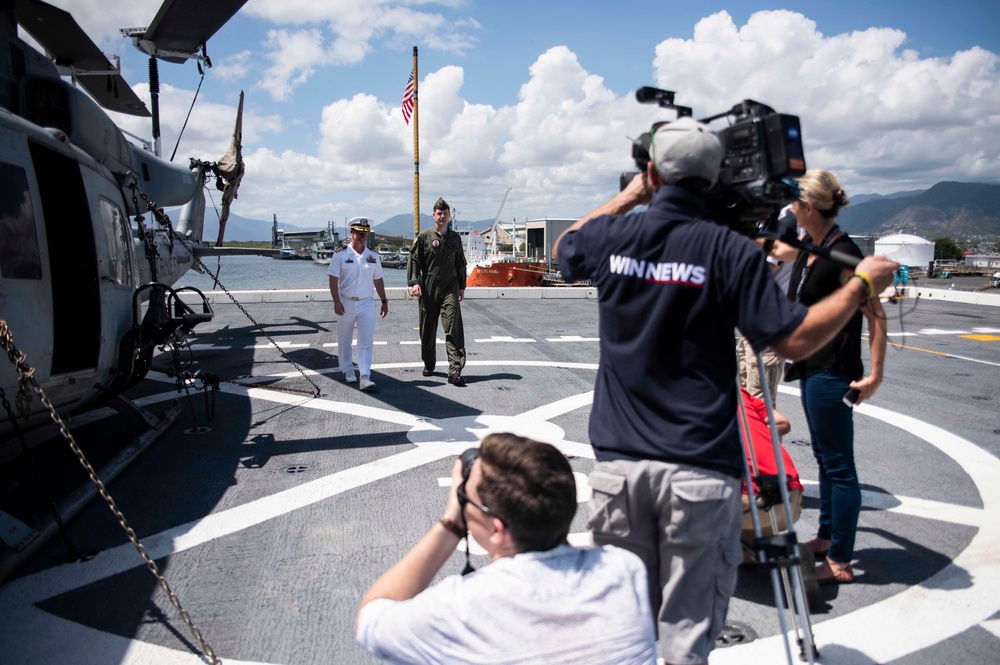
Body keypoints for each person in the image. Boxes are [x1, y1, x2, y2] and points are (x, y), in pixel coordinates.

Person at [553, 116, 897, 665]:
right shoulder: (728, 251)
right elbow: (794, 340)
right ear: (714, 182)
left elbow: (566, 246)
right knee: (688, 636)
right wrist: (861, 285)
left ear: (651, 172)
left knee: (622, 629)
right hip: (699, 472)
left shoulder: (612, 237)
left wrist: (630, 196)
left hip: (620, 471)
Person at [355, 433, 658, 664]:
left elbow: (371, 619)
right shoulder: (624, 570)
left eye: (466, 498)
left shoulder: (462, 607)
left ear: (497, 531)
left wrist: (451, 524)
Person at [784, 169, 888, 585]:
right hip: (813, 366)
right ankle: (828, 538)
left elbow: (876, 316)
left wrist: (876, 375)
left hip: (834, 370)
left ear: (808, 207)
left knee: (839, 465)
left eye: (793, 202)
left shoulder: (844, 255)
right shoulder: (811, 245)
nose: (789, 208)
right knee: (827, 460)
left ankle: (840, 560)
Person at [736, 205, 799, 404]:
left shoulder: (786, 219)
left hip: (768, 320)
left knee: (760, 399)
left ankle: (764, 435)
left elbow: (765, 269)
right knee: (745, 388)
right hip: (755, 317)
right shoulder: (775, 218)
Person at [406, 197, 467, 386]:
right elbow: (414, 259)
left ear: (449, 216)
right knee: (427, 330)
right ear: (434, 216)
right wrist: (415, 282)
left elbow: (460, 263)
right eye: (439, 214)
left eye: (445, 214)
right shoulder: (425, 237)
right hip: (428, 288)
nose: (442, 216)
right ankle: (429, 363)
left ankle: (454, 370)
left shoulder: (455, 238)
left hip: (449, 287)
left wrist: (462, 286)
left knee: (452, 327)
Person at [328, 217, 388, 391]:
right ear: (351, 233)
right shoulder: (340, 254)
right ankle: (347, 369)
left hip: (366, 303)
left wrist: (384, 301)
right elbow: (333, 279)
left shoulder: (373, 257)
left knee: (366, 340)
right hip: (345, 301)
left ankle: (364, 375)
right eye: (359, 233)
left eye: (365, 234)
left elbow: (378, 280)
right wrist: (336, 301)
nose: (362, 237)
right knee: (344, 338)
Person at [737, 387, 802, 544]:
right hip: (791, 497)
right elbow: (782, 423)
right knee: (743, 544)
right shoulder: (739, 391)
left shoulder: (685, 397)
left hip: (750, 499)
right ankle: (776, 553)